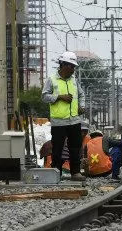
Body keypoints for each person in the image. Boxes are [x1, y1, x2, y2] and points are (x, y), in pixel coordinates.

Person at [42, 51, 85, 181]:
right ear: (63, 65)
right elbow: (44, 96)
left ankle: (75, 173)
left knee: (75, 148)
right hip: (59, 122)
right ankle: (56, 174)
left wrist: (81, 106)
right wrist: (59, 97)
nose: (73, 69)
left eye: (74, 67)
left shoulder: (74, 81)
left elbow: (81, 95)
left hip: (74, 121)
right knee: (57, 149)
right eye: (71, 66)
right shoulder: (52, 80)